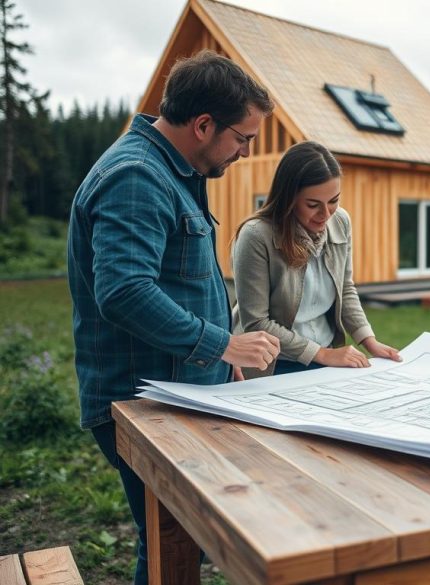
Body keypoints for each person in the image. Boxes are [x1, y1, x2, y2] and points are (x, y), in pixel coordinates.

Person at [67, 50, 282, 584]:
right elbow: (124, 290)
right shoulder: (137, 177)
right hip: (141, 400)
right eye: (242, 138)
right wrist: (223, 344)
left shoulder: (172, 169)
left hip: (180, 386)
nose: (243, 151)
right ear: (203, 124)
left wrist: (218, 358)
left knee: (178, 535)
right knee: (170, 538)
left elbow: (182, 280)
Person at [232, 141, 401, 376]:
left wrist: (370, 341)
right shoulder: (256, 236)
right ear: (289, 199)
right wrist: (323, 354)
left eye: (334, 201)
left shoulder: (340, 221)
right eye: (313, 205)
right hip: (271, 364)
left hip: (325, 359)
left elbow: (345, 288)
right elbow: (257, 323)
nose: (325, 214)